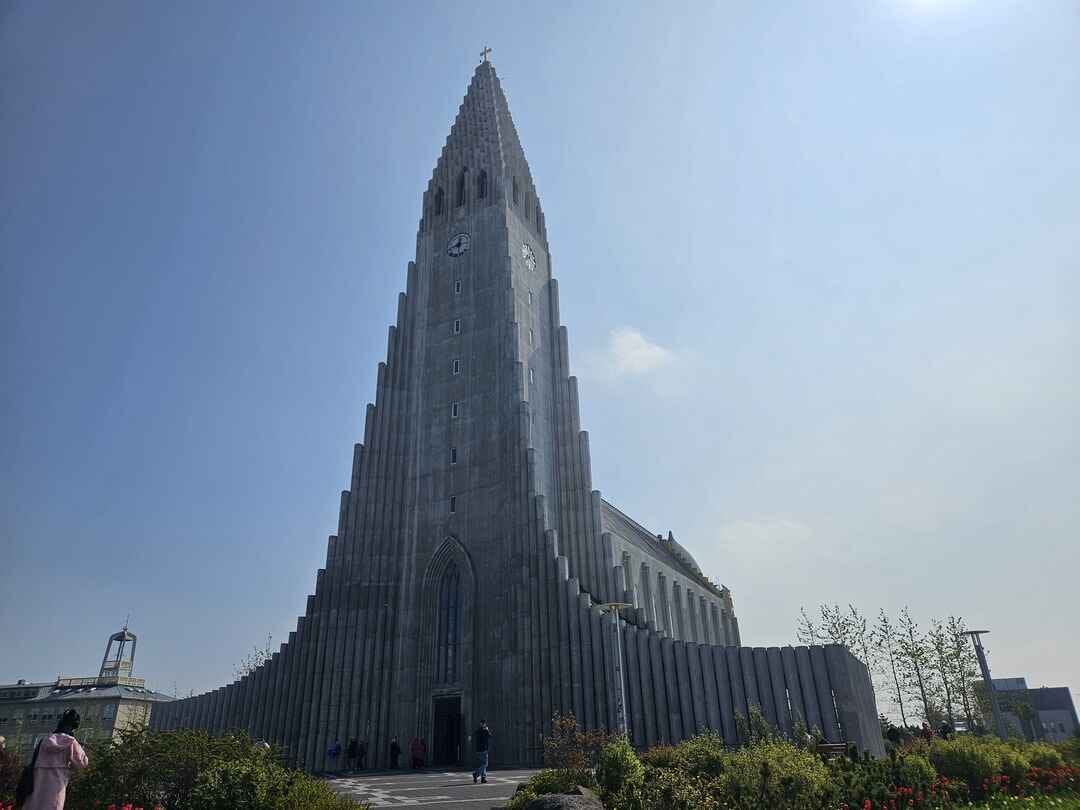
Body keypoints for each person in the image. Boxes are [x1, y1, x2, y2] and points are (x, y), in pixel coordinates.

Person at [22, 708, 89, 810]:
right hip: (57, 782)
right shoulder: (71, 742)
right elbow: (82, 763)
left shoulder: (44, 741)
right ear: (74, 726)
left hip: (37, 780)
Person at [472, 719, 492, 784]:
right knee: (485, 764)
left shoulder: (477, 730)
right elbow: (490, 736)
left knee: (482, 764)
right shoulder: (485, 730)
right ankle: (476, 774)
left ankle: (483, 778)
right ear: (484, 724)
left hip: (478, 750)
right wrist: (487, 729)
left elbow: (473, 735)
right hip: (484, 750)